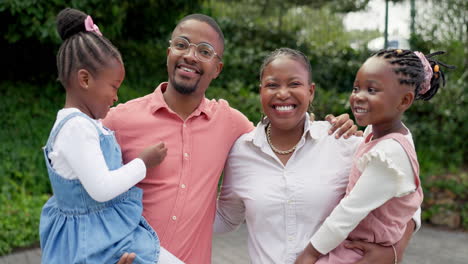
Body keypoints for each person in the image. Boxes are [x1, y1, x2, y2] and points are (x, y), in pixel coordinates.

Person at [105, 14, 357, 264]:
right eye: (181, 45)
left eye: (204, 51)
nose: (190, 56)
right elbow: (78, 189)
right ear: (169, 51)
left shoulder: (231, 125)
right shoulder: (118, 120)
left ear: (217, 68)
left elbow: (280, 127)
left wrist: (331, 127)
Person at [214, 48, 422, 264]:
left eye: (294, 84)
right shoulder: (241, 151)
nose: (282, 93)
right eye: (272, 85)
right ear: (261, 91)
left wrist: (395, 250)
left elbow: (404, 192)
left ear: (311, 91)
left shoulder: (342, 141)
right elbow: (227, 218)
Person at [39, 8, 184, 264]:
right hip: (96, 240)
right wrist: (143, 163)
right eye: (113, 87)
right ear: (85, 79)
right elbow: (101, 188)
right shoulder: (77, 128)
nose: (116, 97)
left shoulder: (86, 124)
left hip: (100, 232)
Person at [294, 49, 454, 264]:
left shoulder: (389, 155)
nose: (358, 96)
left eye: (372, 89)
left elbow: (348, 212)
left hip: (358, 252)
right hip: (351, 244)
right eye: (356, 88)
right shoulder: (377, 133)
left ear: (404, 101)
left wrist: (309, 255)